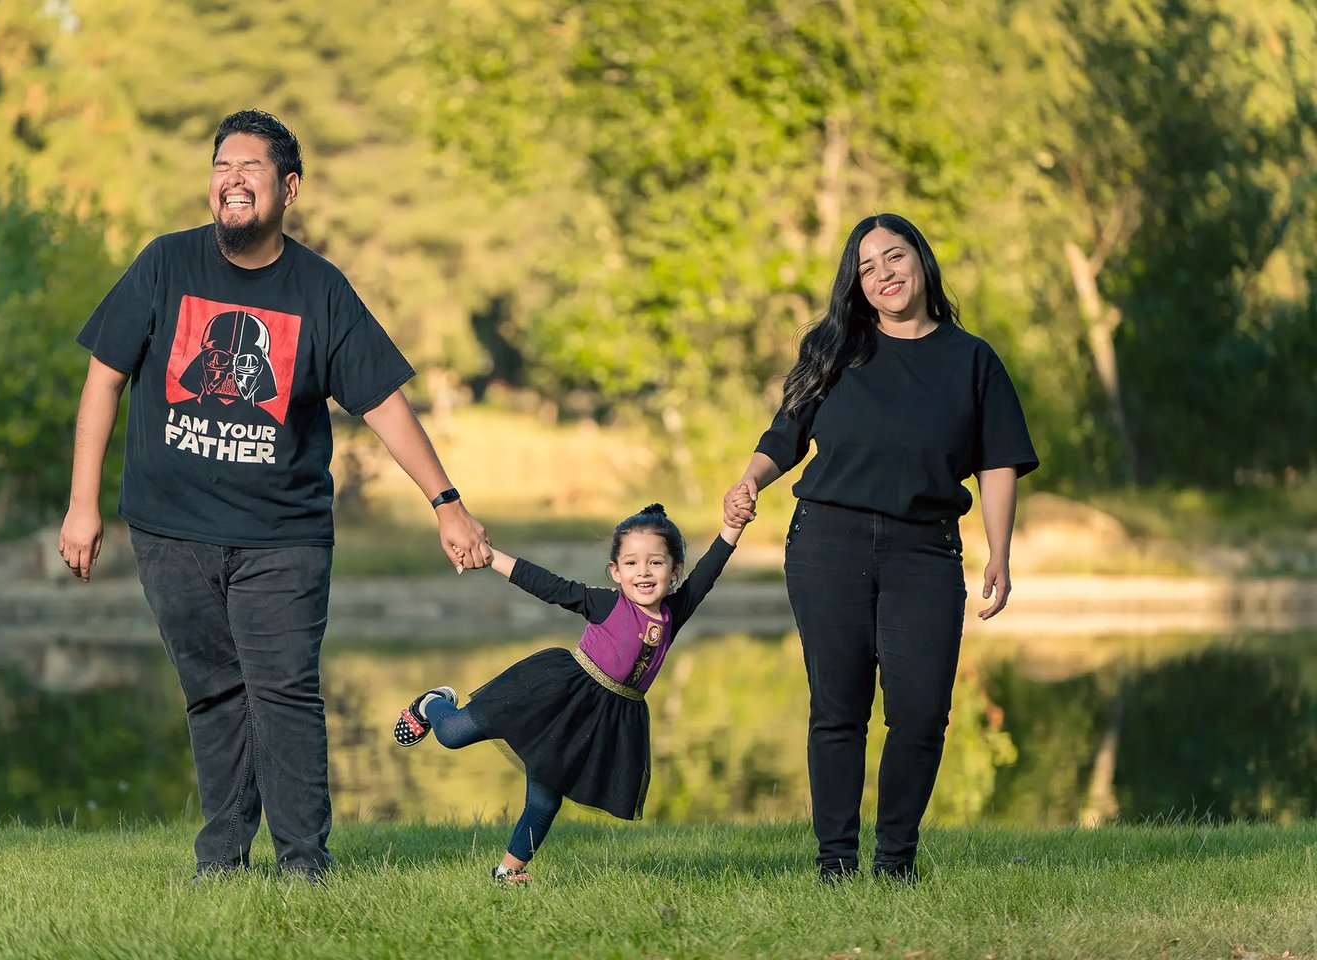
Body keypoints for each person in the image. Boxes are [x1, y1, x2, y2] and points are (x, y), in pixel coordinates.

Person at [57, 109, 491, 882]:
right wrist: (81, 504)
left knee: (283, 695)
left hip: (282, 538)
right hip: (169, 530)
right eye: (223, 167)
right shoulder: (165, 264)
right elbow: (104, 379)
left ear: (288, 188)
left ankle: (303, 863)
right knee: (213, 696)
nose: (233, 180)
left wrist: (445, 501)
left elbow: (385, 404)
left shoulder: (319, 290)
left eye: (251, 168)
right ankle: (220, 860)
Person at [723, 213, 1038, 885]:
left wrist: (1000, 555)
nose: (885, 274)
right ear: (857, 285)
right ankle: (835, 864)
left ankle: (894, 862)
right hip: (827, 543)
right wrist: (749, 479)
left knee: (922, 714)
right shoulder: (834, 349)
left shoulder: (972, 359)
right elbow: (786, 434)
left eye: (895, 257)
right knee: (837, 712)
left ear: (921, 261)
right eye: (868, 267)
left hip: (925, 551)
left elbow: (1000, 463)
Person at [392, 503, 747, 882]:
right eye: (631, 563)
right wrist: (492, 557)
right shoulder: (608, 604)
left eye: (655, 563)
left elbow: (709, 572)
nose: (643, 572)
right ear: (615, 571)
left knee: (545, 801)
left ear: (675, 572)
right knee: (452, 735)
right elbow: (550, 586)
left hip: (601, 718)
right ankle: (432, 703)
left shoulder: (674, 613)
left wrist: (732, 526)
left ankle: (507, 873)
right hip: (556, 694)